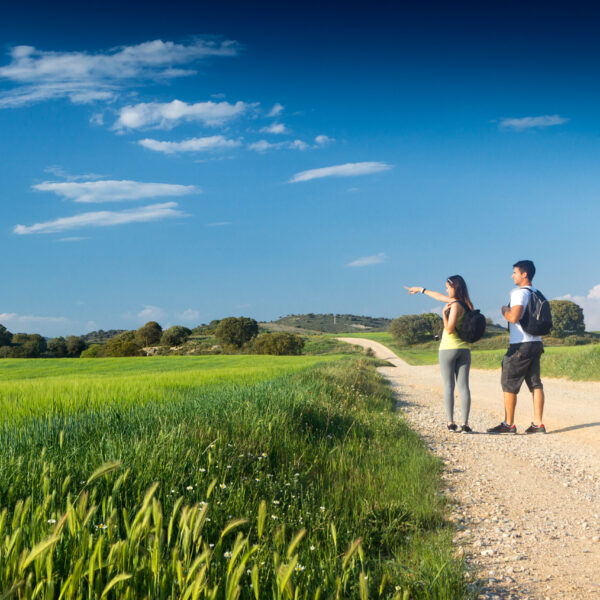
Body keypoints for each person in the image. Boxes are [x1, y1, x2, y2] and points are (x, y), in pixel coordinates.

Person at [405, 276, 474, 433]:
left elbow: (449, 329)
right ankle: (465, 424)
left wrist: (444, 314)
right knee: (464, 387)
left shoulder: (454, 306)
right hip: (464, 349)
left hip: (448, 348)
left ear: (454, 287)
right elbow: (437, 295)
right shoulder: (467, 304)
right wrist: (421, 289)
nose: (446, 290)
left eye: (448, 287)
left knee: (448, 386)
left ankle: (450, 422)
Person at [487, 260, 546, 434]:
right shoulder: (537, 293)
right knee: (535, 383)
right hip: (536, 342)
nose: (512, 275)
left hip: (520, 344)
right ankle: (538, 424)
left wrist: (504, 309)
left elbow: (514, 317)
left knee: (509, 382)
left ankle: (509, 424)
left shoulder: (519, 293)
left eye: (515, 272)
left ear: (524, 274)